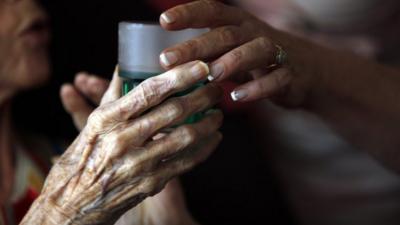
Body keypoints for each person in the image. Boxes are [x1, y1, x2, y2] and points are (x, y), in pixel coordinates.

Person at [0, 0, 223, 224]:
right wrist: (64, 212)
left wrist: (169, 219)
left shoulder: (61, 164)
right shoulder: (79, 180)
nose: (31, 6)